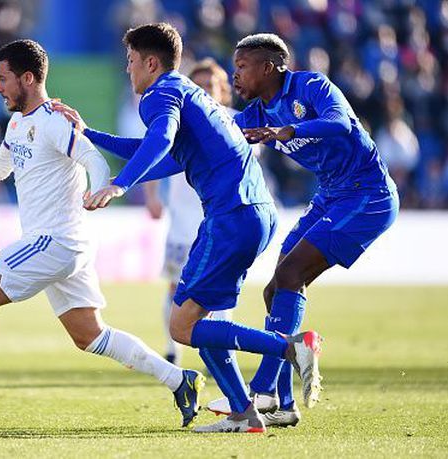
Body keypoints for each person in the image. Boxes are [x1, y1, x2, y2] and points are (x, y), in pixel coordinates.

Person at [0, 39, 207, 428]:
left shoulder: (55, 120)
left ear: (27, 78)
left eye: (3, 78)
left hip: (55, 240)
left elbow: (93, 159)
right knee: (90, 336)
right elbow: (0, 168)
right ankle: (181, 380)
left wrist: (101, 189)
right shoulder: (18, 122)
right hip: (64, 245)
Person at [53, 23, 322, 434]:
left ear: (150, 62)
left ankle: (291, 348)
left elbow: (158, 140)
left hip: (231, 215)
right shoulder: (187, 94)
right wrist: (88, 133)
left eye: (129, 62)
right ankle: (243, 413)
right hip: (253, 212)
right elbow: (160, 153)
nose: (128, 70)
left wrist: (120, 184)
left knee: (182, 326)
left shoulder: (158, 94)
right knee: (198, 317)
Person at [206, 33, 399, 428]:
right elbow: (213, 136)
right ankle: (284, 404)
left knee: (291, 275)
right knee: (275, 289)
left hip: (368, 194)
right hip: (331, 195)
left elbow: (342, 123)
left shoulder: (310, 85)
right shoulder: (258, 113)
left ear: (269, 67)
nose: (235, 75)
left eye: (242, 67)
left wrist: (288, 131)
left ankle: (262, 390)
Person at [142, 58, 235, 366]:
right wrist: (152, 195)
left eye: (211, 86)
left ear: (223, 91)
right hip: (182, 225)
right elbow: (152, 157)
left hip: (221, 224)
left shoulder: (234, 123)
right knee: (176, 288)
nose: (205, 91)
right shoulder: (176, 122)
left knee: (222, 291)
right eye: (200, 86)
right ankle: (172, 348)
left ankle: (223, 354)